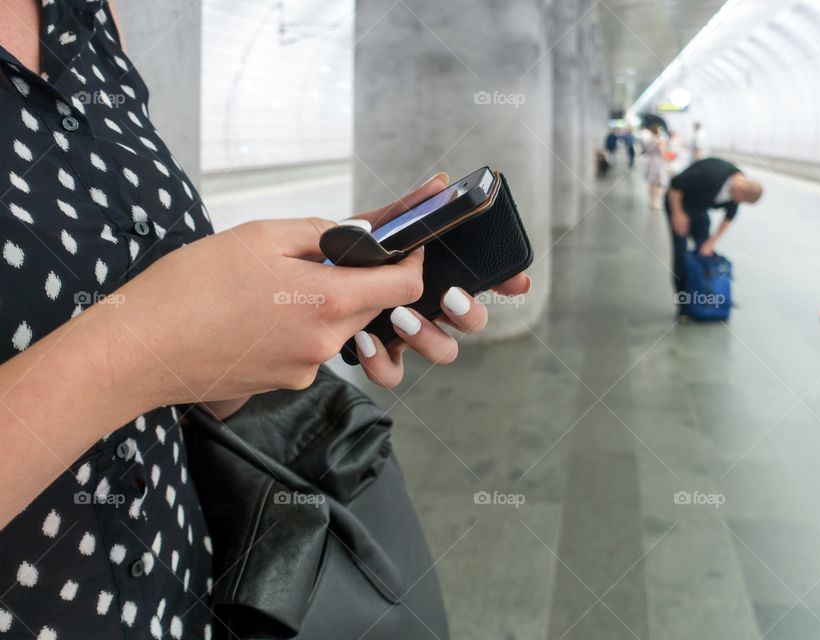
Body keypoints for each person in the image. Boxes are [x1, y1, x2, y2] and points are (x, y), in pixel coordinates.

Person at [0, 2, 531, 638]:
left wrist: (296, 301)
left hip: (186, 594)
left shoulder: (86, 16)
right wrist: (138, 346)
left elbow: (186, 389)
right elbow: (135, 347)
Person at [664, 158, 763, 320]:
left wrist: (711, 242)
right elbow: (675, 185)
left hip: (700, 209)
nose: (737, 203)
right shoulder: (711, 174)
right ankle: (683, 307)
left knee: (704, 252)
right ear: (741, 188)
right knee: (681, 254)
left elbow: (729, 217)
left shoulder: (738, 188)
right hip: (679, 204)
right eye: (740, 199)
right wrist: (677, 213)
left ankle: (703, 299)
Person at [642, 125, 669, 210]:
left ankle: (652, 201)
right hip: (657, 163)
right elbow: (663, 152)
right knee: (658, 183)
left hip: (650, 162)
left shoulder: (649, 140)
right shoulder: (658, 140)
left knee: (652, 183)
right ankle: (655, 201)